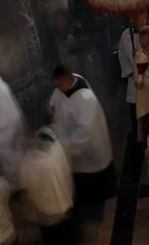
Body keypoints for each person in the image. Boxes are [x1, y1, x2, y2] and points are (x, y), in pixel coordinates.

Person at [48, 65, 116, 207]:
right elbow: (55, 102)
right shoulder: (67, 84)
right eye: (56, 85)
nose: (57, 88)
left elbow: (85, 132)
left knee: (92, 181)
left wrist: (65, 147)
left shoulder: (85, 99)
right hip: (69, 138)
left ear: (67, 79)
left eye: (59, 85)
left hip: (89, 148)